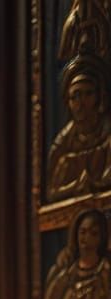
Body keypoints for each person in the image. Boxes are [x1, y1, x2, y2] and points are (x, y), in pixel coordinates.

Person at [47, 56, 111, 203]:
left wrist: (94, 183)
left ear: (100, 97)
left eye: (88, 94)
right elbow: (51, 191)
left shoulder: (107, 134)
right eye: (75, 96)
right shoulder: (63, 143)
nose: (80, 103)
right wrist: (75, 186)